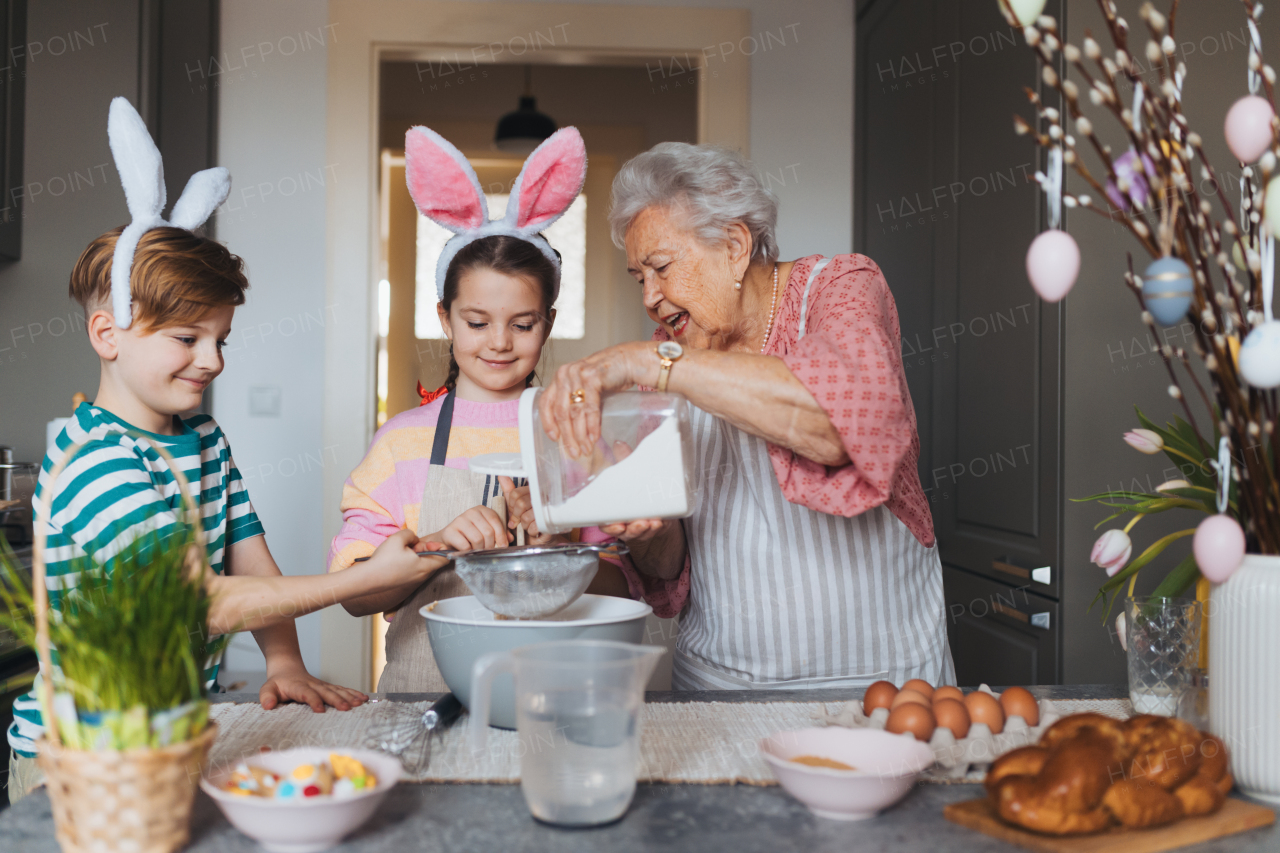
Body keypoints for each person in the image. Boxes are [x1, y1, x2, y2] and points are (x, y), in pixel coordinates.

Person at [7, 98, 440, 803]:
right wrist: (359, 582)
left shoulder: (202, 438)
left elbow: (248, 555)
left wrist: (284, 660)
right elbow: (203, 601)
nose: (212, 360)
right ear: (108, 333)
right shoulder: (97, 463)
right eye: (187, 338)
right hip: (79, 760)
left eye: (221, 339)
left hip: (166, 733)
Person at [523, 142, 957, 690]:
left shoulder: (838, 290)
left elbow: (834, 426)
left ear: (733, 245)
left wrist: (649, 359)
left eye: (661, 267)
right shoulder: (666, 355)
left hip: (874, 680)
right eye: (640, 278)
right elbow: (664, 564)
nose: (651, 298)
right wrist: (645, 533)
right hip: (718, 684)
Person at [328, 126, 626, 692]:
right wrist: (435, 544)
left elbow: (628, 591)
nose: (498, 343)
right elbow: (354, 596)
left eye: (522, 324)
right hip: (424, 697)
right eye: (476, 322)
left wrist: (561, 547)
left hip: (553, 697)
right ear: (445, 319)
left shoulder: (577, 435)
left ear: (549, 324)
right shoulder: (401, 444)